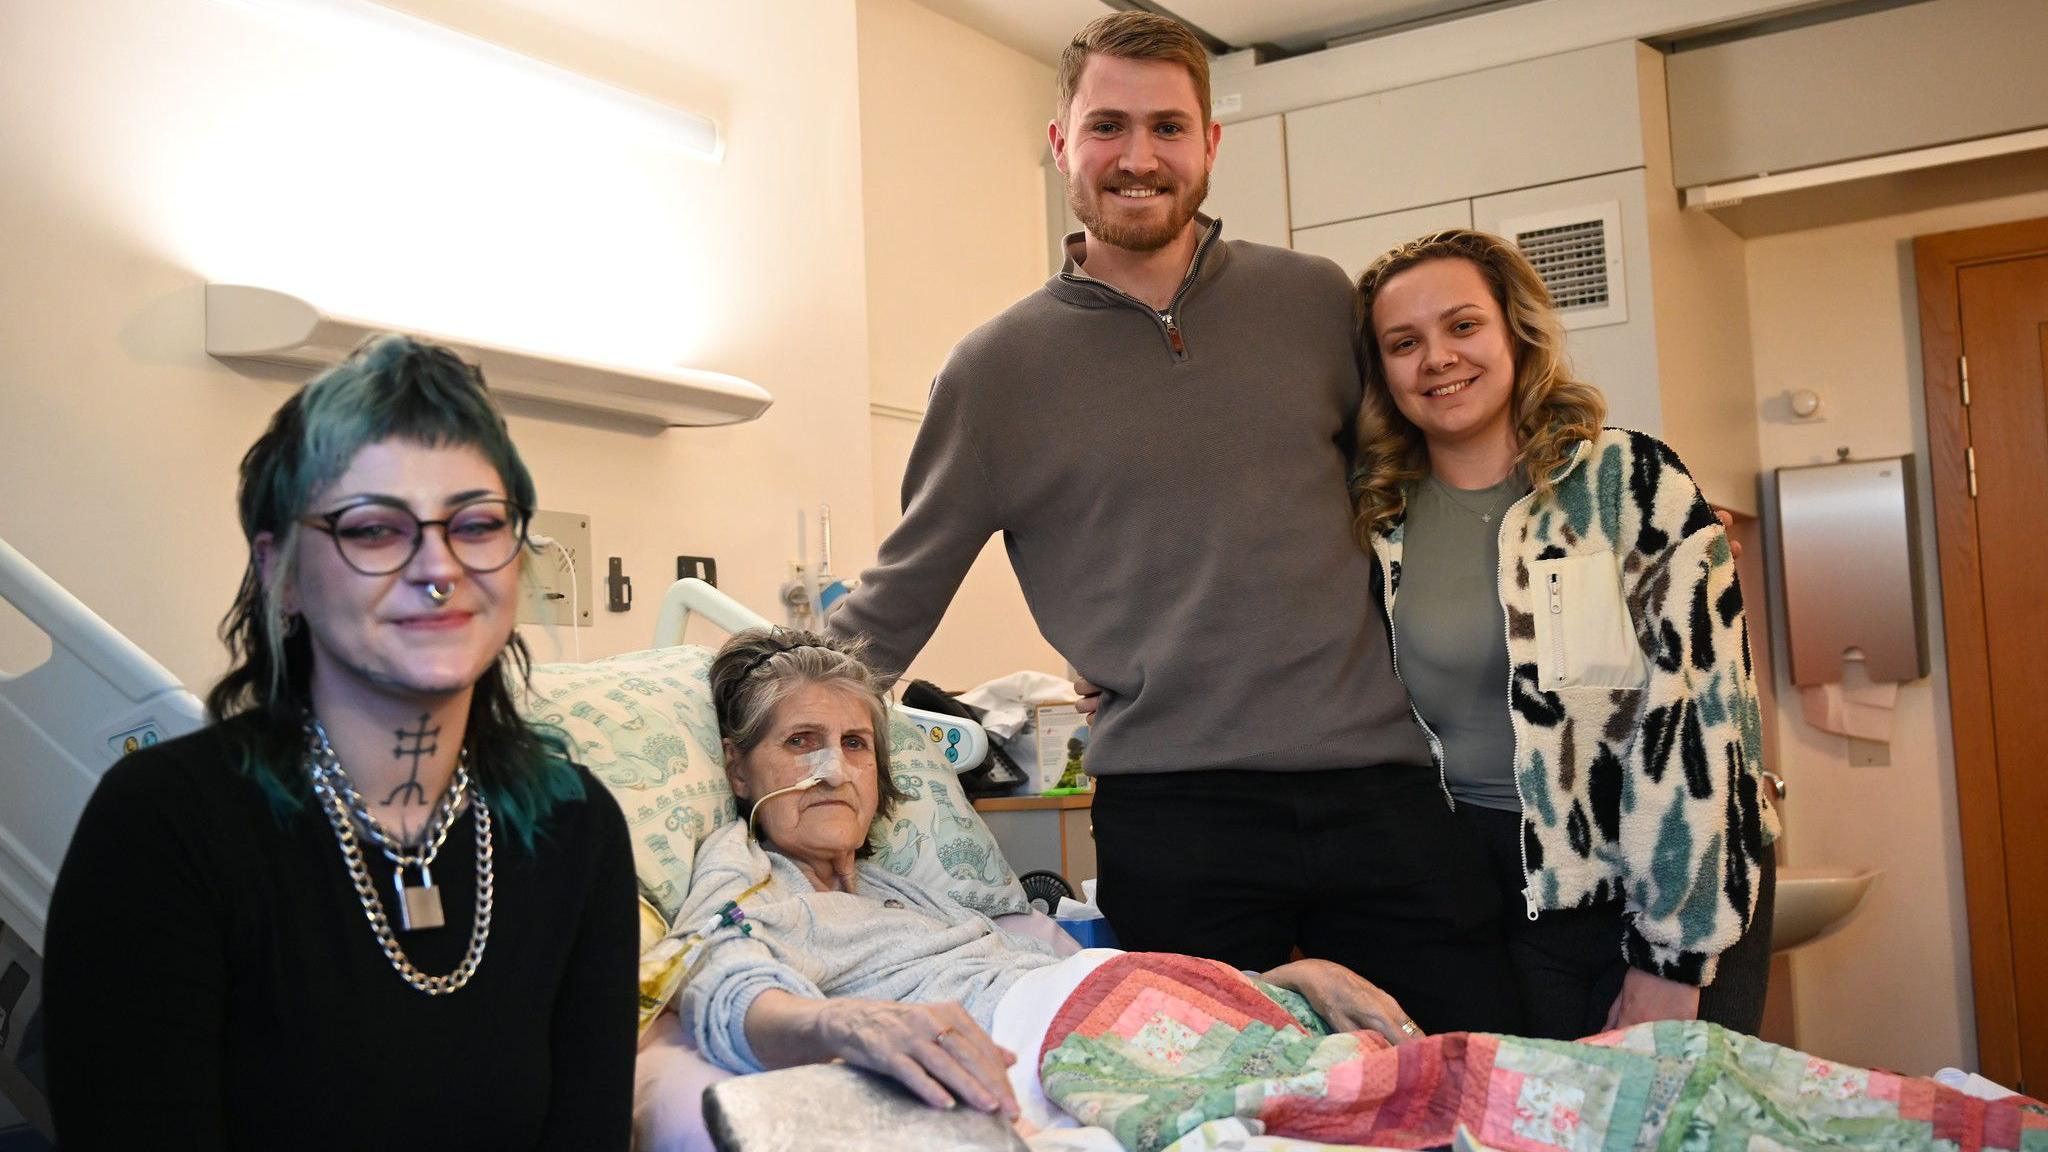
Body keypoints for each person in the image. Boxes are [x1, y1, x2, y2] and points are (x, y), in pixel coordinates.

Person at [825, 10, 1521, 1035]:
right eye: (1106, 127)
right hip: (1174, 811)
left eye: (1166, 127)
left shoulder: (1315, 304)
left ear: (1208, 144)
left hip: (1380, 788)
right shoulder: (994, 373)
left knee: (1468, 1080)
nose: (1137, 157)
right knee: (1202, 1112)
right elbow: (894, 602)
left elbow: (1420, 486)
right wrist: (742, 722)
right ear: (1061, 144)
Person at [42, 336, 640, 1148]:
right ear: (281, 573)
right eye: (373, 530)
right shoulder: (164, 826)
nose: (439, 569)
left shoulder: (578, 828)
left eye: (477, 523)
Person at [676, 627, 1424, 1134]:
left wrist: (1282, 979)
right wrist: (844, 1024)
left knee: (1411, 1079)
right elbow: (720, 985)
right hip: (1055, 1043)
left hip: (1134, 1000)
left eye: (855, 744)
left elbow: (1052, 969)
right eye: (800, 742)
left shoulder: (905, 889)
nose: (832, 769)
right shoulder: (748, 874)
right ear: (740, 768)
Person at [1349, 229, 1780, 1037]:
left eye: (1462, 326)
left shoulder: (1631, 483)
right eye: (1404, 343)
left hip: (1655, 887)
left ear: (1515, 329)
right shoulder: (1377, 522)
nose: (1437, 358)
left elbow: (1701, 721)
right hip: (1476, 897)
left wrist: (1671, 960)